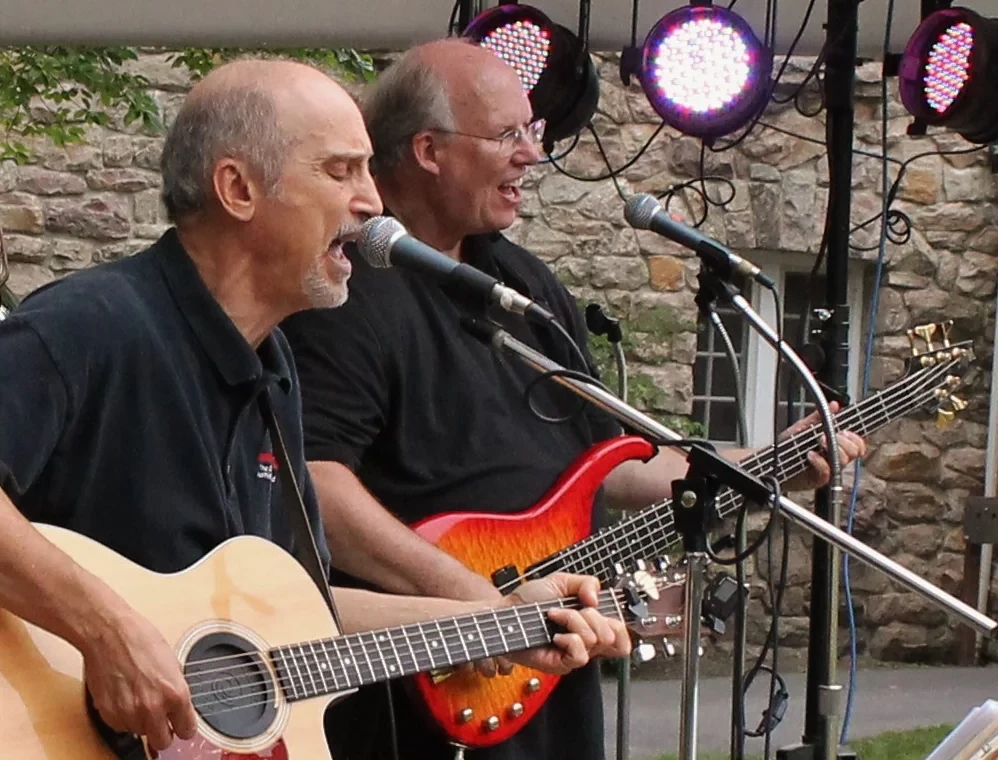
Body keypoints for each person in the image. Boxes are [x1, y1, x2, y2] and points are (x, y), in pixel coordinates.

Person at [0, 57, 633, 757]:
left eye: (367, 170)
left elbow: (300, 616)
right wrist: (105, 629)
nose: (370, 202)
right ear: (238, 189)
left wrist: (492, 615)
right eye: (340, 171)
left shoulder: (276, 372)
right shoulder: (91, 325)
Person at [279, 40, 867, 760]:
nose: (533, 155)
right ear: (428, 149)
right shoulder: (343, 292)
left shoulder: (519, 284)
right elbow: (313, 481)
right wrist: (474, 598)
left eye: (536, 132)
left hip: (545, 661)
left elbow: (608, 459)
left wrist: (764, 464)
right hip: (415, 679)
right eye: (508, 136)